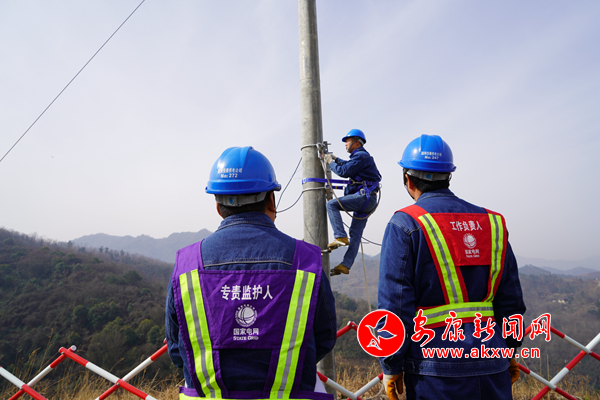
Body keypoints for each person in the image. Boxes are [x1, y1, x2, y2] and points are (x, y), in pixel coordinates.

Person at [165, 146, 337, 400]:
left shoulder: (187, 264)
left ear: (217, 205)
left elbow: (178, 349)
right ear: (271, 201)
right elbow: (324, 337)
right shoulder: (305, 260)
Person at [378, 135, 526, 400]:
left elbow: (395, 307)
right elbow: (511, 301)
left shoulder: (405, 224)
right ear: (448, 176)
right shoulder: (492, 223)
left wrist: (392, 365)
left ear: (407, 180)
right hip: (492, 361)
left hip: (434, 369)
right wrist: (509, 350)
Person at [323, 129, 381, 276]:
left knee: (331, 204)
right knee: (356, 235)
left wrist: (330, 162)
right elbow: (348, 165)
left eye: (347, 141)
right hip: (369, 199)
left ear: (356, 142)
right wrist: (336, 159)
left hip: (364, 197)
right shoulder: (361, 157)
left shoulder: (361, 156)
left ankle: (340, 235)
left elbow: (344, 171)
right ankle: (345, 265)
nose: (345, 144)